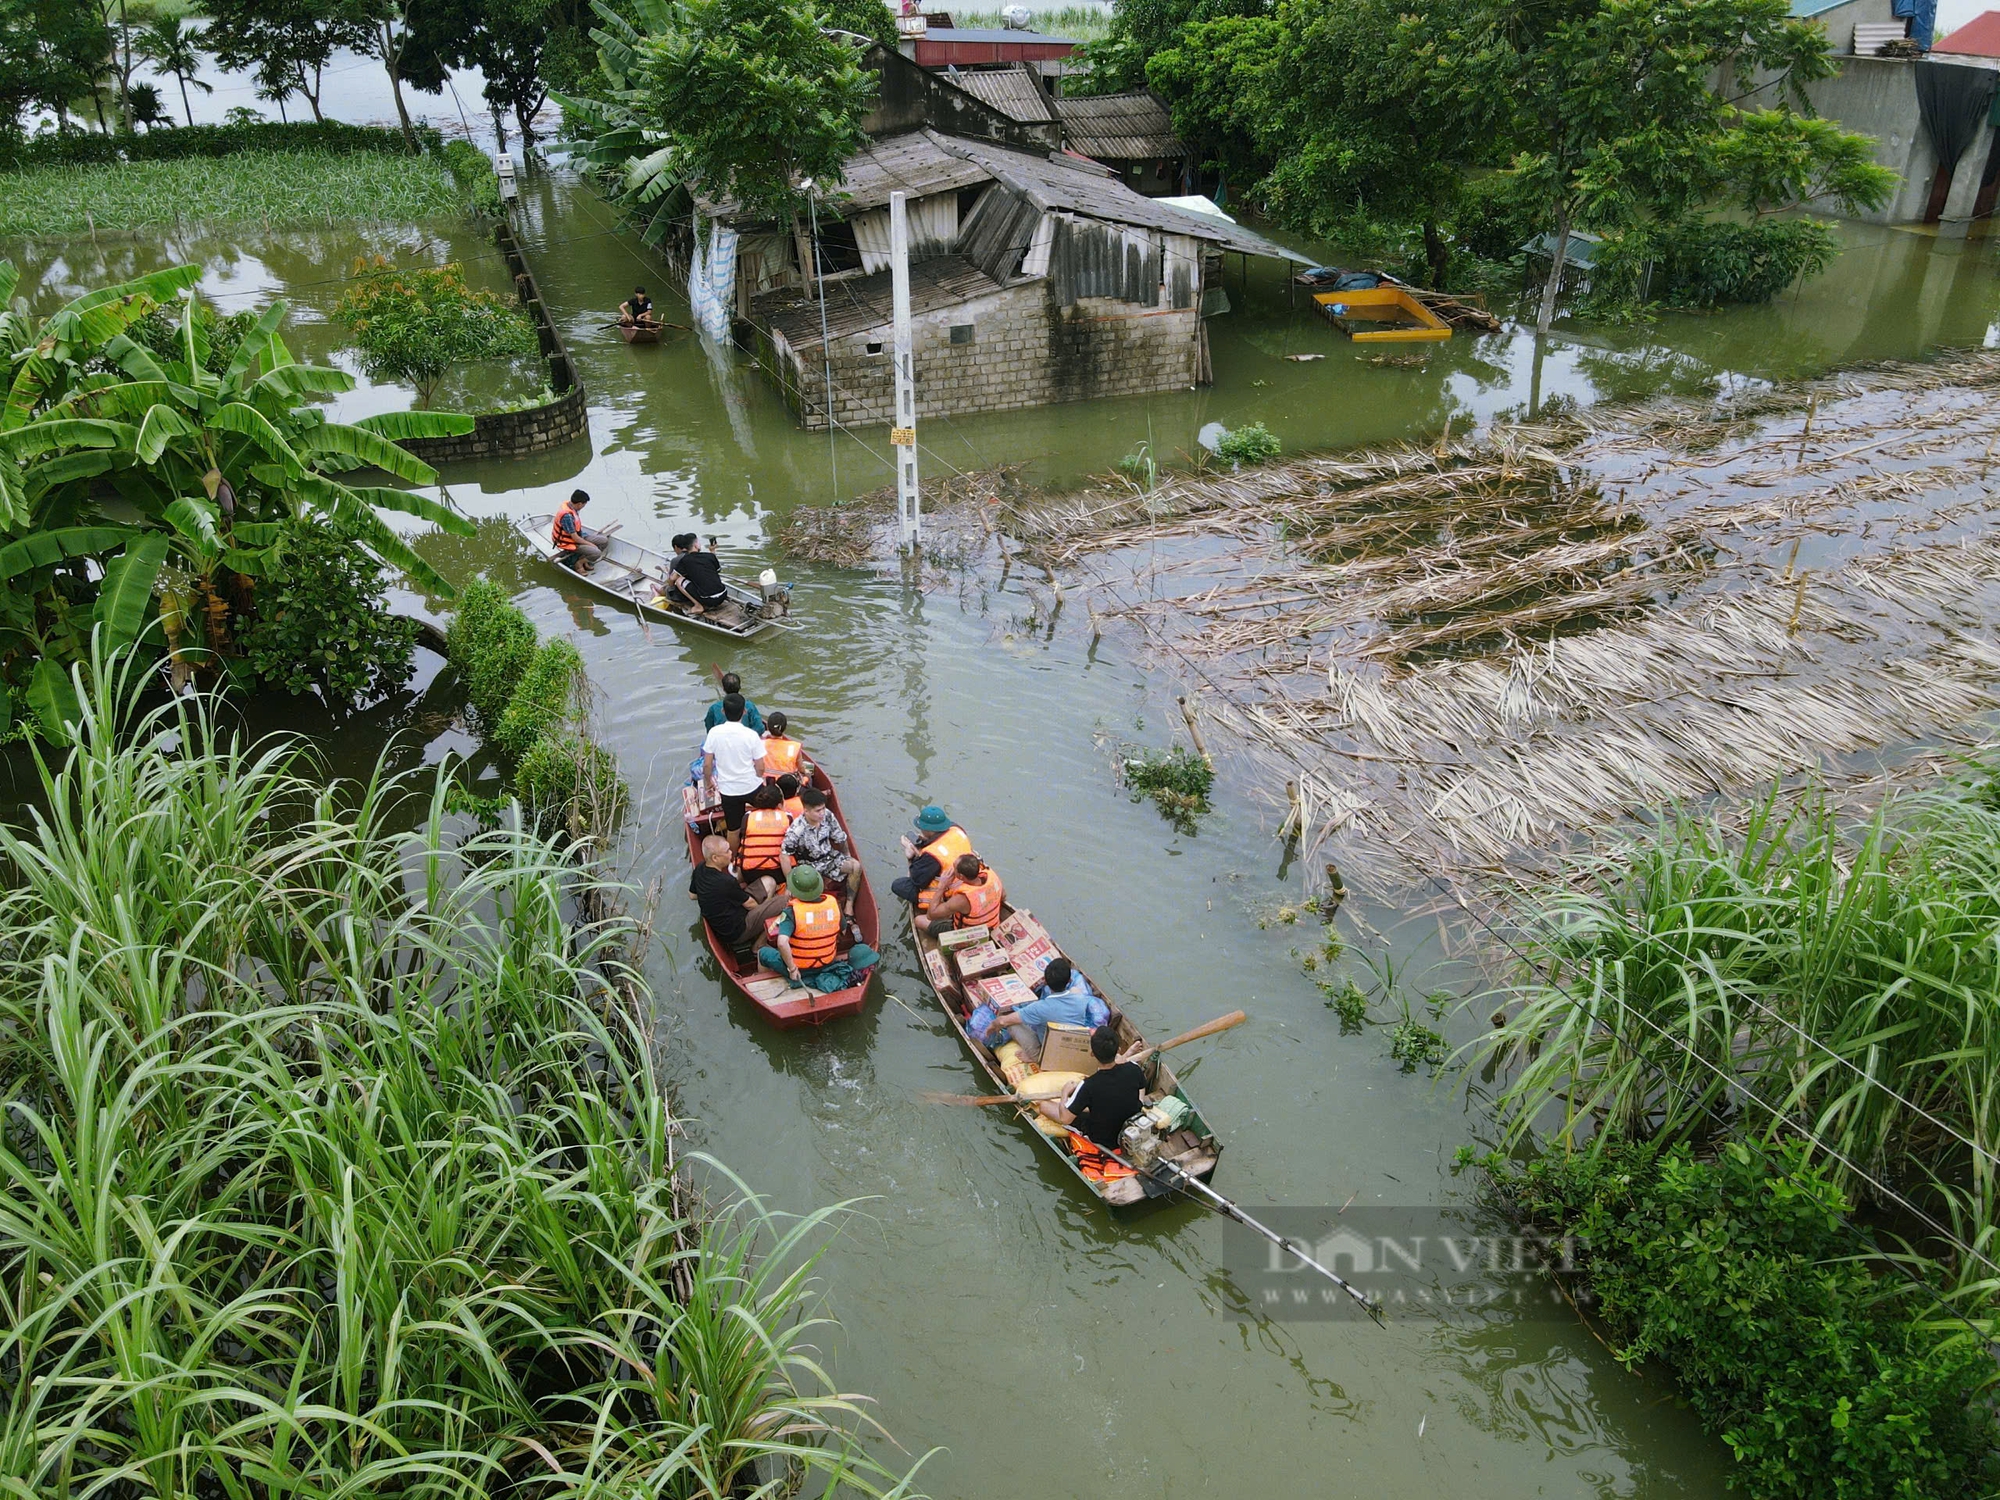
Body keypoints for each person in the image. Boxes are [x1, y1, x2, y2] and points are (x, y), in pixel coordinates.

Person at [758, 865, 879, 988]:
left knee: (762, 953)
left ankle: (762, 984)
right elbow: (843, 930)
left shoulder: (791, 912)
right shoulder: (833, 904)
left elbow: (782, 943)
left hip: (801, 969)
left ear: (794, 890)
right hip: (828, 963)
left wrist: (793, 969)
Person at [980, 955, 1110, 1063]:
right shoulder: (1080, 997)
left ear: (1046, 983)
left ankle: (1035, 1056)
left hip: (1048, 1056)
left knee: (1012, 1024)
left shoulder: (1039, 1008)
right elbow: (1074, 993)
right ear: (1069, 980)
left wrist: (992, 1027)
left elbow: (1003, 1022)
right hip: (1072, 1049)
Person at [1038, 1025, 1149, 1151]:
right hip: (1131, 1125)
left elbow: (1065, 1119)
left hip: (1104, 1140)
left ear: (1092, 1054)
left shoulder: (1087, 1086)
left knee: (1044, 1106)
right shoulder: (1134, 1068)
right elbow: (1141, 1086)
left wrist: (1065, 1093)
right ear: (1118, 1050)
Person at [689, 833, 790, 959]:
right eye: (727, 851)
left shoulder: (699, 869)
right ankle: (759, 944)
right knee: (787, 902)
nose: (731, 853)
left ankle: (762, 923)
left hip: (733, 912)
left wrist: (712, 895)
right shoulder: (725, 882)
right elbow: (750, 905)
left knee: (769, 881)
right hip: (738, 930)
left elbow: (692, 895)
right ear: (715, 858)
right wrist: (767, 910)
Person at [780, 785, 862, 922]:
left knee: (856, 866)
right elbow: (784, 856)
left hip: (828, 858)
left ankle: (849, 905)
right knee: (807, 890)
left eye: (823, 808)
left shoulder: (828, 815)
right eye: (818, 811)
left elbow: (840, 838)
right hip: (808, 865)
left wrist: (847, 856)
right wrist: (790, 882)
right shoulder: (796, 830)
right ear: (806, 810)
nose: (822, 813)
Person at [701, 693, 768, 852]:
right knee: (767, 814)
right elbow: (760, 767)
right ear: (744, 711)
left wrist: (708, 781)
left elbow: (707, 765)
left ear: (723, 711)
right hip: (752, 787)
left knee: (733, 830)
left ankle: (733, 861)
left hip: (728, 792)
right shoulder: (751, 735)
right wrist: (758, 778)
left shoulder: (714, 733)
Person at [890, 805, 971, 913]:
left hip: (947, 891)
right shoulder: (957, 829)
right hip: (966, 879)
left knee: (898, 885)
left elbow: (918, 881)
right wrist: (927, 842)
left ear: (928, 830)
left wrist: (912, 855)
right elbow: (946, 845)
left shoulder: (932, 855)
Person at [916, 852, 1002, 935]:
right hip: (992, 927)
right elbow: (1003, 896)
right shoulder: (992, 877)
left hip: (970, 934)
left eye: (954, 867)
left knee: (919, 920)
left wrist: (941, 887)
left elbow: (931, 915)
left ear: (961, 876)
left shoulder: (962, 898)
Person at [737, 782, 792, 891]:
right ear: (779, 804)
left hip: (751, 874)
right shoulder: (787, 817)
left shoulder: (748, 817)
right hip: (780, 872)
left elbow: (742, 839)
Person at [667, 533, 729, 614]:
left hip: (708, 599)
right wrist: (712, 551)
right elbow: (716, 570)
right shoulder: (710, 556)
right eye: (699, 542)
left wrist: (671, 590)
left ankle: (698, 605)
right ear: (695, 545)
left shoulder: (685, 560)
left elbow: (672, 578)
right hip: (723, 594)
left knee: (679, 580)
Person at [551, 489, 607, 575]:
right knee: (596, 552)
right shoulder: (567, 516)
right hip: (569, 542)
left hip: (579, 536)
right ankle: (579, 564)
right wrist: (590, 544)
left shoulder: (572, 506)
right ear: (579, 504)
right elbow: (575, 538)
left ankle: (583, 560)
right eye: (584, 504)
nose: (583, 506)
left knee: (603, 541)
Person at [761, 711, 807, 781]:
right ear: (785, 728)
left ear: (767, 727)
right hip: (787, 785)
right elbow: (801, 769)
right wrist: (806, 773)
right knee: (808, 777)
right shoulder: (794, 747)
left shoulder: (760, 744)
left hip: (764, 784)